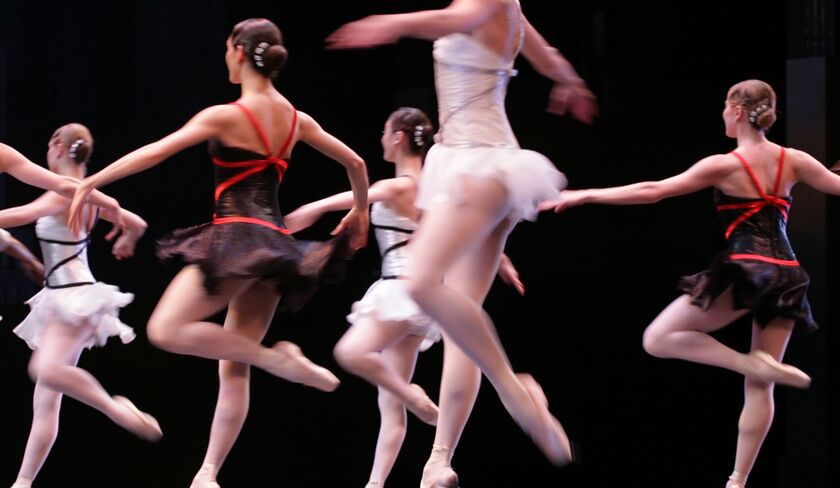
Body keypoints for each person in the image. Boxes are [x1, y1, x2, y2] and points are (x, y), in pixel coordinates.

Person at [68, 18, 370, 488]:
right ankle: (208, 473)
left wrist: (92, 180)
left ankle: (276, 361)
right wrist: (359, 214)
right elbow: (356, 162)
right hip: (277, 250)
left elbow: (155, 152)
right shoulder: (296, 119)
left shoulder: (227, 115)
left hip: (236, 240)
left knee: (165, 329)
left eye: (225, 50)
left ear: (238, 50)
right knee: (233, 368)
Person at [328, 1, 598, 486]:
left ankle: (516, 394)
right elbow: (547, 54)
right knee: (460, 323)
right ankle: (439, 459)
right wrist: (570, 81)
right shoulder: (510, 8)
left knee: (422, 283)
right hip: (485, 166)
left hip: (476, 164)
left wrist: (392, 23)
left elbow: (453, 23)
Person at [540, 79, 829, 487]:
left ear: (738, 112)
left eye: (725, 107)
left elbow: (653, 191)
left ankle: (747, 364)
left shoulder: (725, 164)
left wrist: (585, 195)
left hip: (747, 267)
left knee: (657, 338)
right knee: (761, 387)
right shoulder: (794, 160)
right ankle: (737, 480)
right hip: (787, 274)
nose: (722, 114)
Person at [0, 123, 158, 488]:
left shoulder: (61, 195)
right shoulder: (87, 195)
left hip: (75, 298)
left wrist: (123, 227)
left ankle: (115, 408)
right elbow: (138, 222)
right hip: (64, 298)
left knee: (44, 370)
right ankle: (23, 482)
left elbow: (19, 216)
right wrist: (127, 234)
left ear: (58, 144)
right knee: (46, 399)